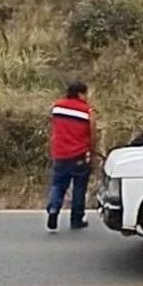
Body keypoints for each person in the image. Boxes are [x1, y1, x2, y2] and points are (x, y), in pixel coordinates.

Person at [46, 81, 98, 232]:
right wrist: (92, 152)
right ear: (80, 94)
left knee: (58, 185)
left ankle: (53, 210)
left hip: (60, 154)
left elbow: (54, 126)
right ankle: (76, 219)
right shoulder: (87, 111)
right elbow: (93, 134)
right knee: (79, 188)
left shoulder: (57, 107)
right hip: (79, 155)